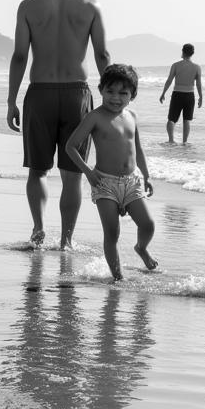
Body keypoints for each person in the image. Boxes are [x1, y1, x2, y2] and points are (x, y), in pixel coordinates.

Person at [7, 0, 110, 249]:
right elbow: (103, 54)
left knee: (38, 170)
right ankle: (66, 240)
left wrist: (11, 100)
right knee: (72, 174)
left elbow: (19, 57)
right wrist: (112, 102)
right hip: (77, 94)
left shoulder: (28, 6)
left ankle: (38, 230)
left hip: (40, 94)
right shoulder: (91, 7)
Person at [65, 64, 156, 281]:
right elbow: (70, 146)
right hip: (104, 182)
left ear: (132, 95)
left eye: (123, 93)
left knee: (148, 224)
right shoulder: (95, 117)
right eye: (110, 91)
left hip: (132, 182)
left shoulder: (132, 116)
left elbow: (138, 149)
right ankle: (118, 277)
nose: (116, 98)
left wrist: (146, 175)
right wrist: (88, 172)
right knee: (112, 232)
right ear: (101, 90)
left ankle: (141, 248)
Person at [159, 43, 203, 144]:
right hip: (189, 96)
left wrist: (163, 93)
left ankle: (171, 141)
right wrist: (201, 97)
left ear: (182, 52)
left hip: (177, 94)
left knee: (172, 119)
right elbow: (199, 84)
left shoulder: (176, 65)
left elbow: (169, 80)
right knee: (187, 120)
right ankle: (185, 142)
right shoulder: (197, 67)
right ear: (192, 54)